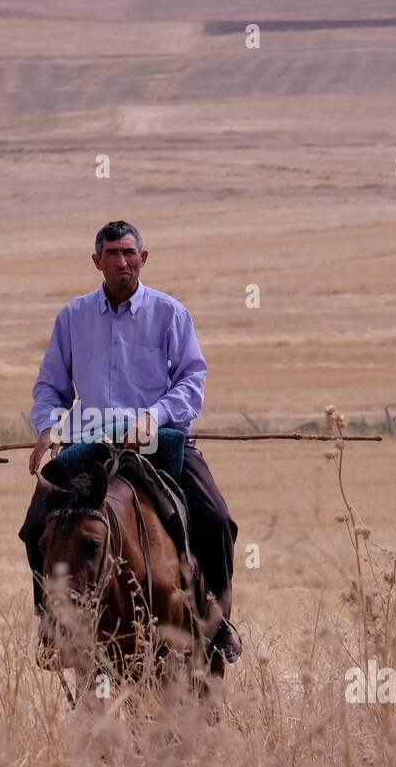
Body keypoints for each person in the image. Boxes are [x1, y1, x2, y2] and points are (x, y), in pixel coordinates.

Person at [18, 220, 240, 665]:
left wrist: (152, 417)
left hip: (160, 443)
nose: (122, 261)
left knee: (216, 520)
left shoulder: (170, 313)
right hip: (90, 445)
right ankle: (54, 625)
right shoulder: (73, 318)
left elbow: (192, 379)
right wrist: (49, 428)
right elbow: (50, 388)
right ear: (97, 261)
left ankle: (216, 627)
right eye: (112, 254)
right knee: (36, 525)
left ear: (143, 257)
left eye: (129, 252)